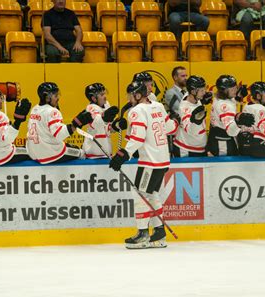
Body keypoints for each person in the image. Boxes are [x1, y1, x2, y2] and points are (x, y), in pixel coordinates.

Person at [108, 80, 178, 249]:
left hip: (150, 162)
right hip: (163, 160)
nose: (129, 98)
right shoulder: (158, 106)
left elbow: (138, 137)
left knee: (140, 195)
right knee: (151, 193)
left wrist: (122, 155)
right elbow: (170, 128)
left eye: (130, 95)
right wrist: (177, 120)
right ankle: (159, 233)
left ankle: (142, 234)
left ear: (138, 95)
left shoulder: (137, 110)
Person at [26, 82, 92, 164]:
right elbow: (59, 135)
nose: (58, 98)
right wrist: (76, 124)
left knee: (66, 145)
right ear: (47, 97)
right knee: (81, 153)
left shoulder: (35, 109)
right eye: (55, 96)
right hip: (49, 154)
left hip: (33, 152)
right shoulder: (52, 111)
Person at [207, 75, 254, 156]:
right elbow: (231, 131)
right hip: (223, 143)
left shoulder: (219, 97)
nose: (235, 90)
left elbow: (230, 101)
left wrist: (238, 98)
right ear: (223, 91)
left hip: (215, 137)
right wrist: (239, 121)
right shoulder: (225, 106)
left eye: (236, 87)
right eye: (232, 89)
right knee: (226, 167)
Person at [82, 83, 126, 159]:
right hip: (93, 152)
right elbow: (96, 123)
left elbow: (108, 129)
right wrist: (104, 118)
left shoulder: (106, 105)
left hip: (106, 151)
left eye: (104, 93)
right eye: (102, 95)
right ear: (93, 98)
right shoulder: (90, 108)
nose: (105, 96)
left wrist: (116, 126)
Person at [172, 75, 213, 157]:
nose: (204, 92)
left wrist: (203, 100)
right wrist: (195, 121)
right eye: (201, 90)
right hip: (186, 149)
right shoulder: (185, 108)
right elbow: (190, 130)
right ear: (193, 92)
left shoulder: (193, 97)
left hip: (199, 148)